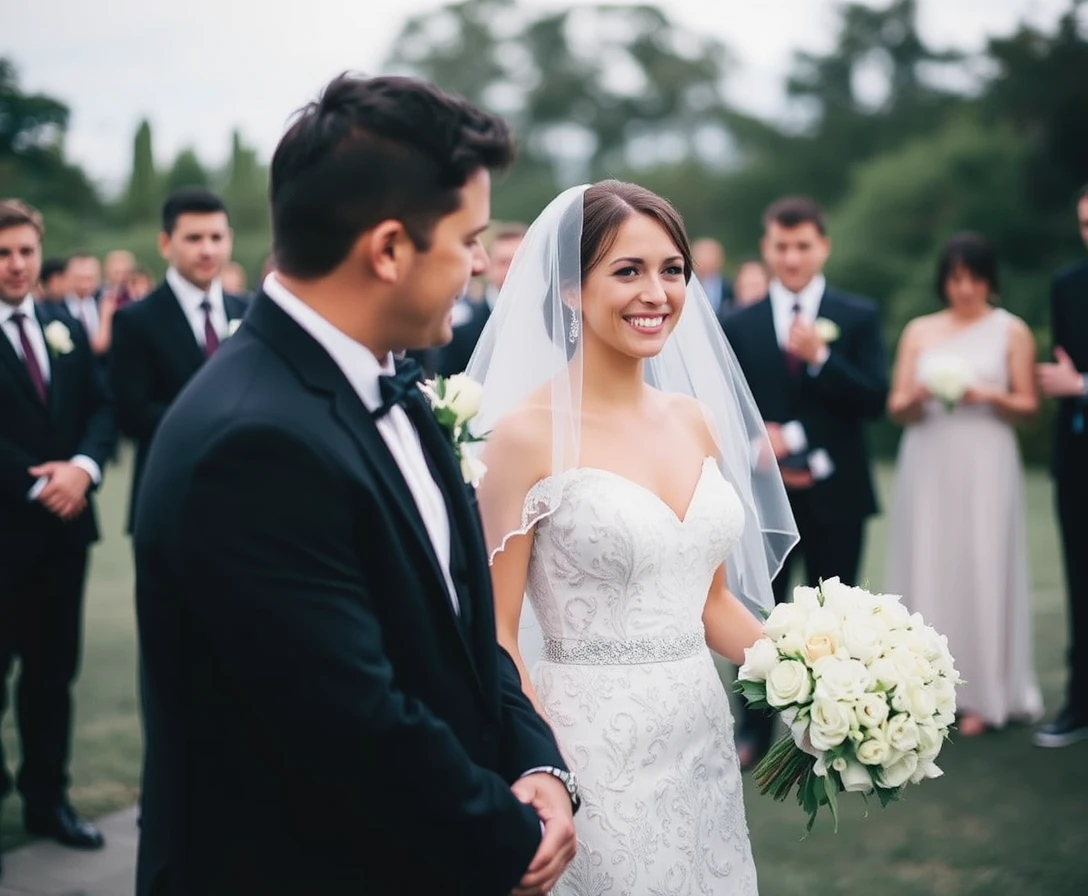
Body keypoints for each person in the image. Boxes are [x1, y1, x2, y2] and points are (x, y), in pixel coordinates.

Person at [132, 74, 576, 896]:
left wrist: (539, 762)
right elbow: (350, 722)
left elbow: (459, 629)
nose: (482, 264)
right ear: (388, 250)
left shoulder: (395, 386)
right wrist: (509, 832)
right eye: (469, 238)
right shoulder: (251, 443)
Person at [470, 180, 798, 896]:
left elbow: (710, 603)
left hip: (700, 737)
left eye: (672, 270)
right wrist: (542, 766)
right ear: (566, 289)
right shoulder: (521, 436)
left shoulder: (694, 420)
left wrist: (813, 679)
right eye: (628, 271)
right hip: (588, 747)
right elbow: (493, 632)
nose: (657, 293)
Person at [723, 196, 888, 767]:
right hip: (764, 498)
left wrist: (822, 358)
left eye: (803, 246)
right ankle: (753, 730)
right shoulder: (736, 323)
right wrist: (756, 441)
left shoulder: (858, 315)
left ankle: (833, 729)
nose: (792, 257)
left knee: (835, 619)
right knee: (757, 614)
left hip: (836, 495)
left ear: (823, 247)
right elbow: (725, 406)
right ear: (766, 248)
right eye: (781, 246)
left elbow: (874, 400)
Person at [886, 233, 1042, 736]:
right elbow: (897, 406)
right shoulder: (920, 331)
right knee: (929, 560)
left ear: (989, 279)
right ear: (943, 281)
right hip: (930, 458)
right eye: (955, 278)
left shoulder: (1011, 331)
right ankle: (922, 689)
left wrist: (985, 394)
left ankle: (982, 694)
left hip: (986, 459)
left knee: (982, 561)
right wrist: (921, 396)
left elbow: (1029, 408)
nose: (965, 288)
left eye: (974, 277)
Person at [0, 201, 116, 874]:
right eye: (4, 254)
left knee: (52, 676)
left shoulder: (59, 322)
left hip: (66, 537)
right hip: (6, 531)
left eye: (24, 251)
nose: (16, 265)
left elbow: (101, 406)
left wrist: (84, 468)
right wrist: (34, 481)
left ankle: (50, 801)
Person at [108, 188, 248, 536]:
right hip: (170, 494)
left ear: (229, 239)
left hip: (247, 496)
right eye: (194, 238)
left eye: (216, 237)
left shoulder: (251, 311)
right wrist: (219, 424)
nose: (207, 249)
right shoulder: (135, 320)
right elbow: (131, 413)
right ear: (165, 244)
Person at [1034, 183, 1088, 748]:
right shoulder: (1068, 284)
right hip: (1077, 458)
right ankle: (1080, 699)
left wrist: (1081, 385)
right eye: (1084, 224)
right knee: (1079, 579)